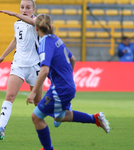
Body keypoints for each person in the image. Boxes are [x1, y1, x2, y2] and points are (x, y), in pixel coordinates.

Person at [26, 14, 111, 150]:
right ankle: (95, 118)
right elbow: (73, 59)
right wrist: (66, 78)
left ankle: (48, 148)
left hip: (60, 88)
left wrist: (33, 92)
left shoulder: (44, 43)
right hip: (67, 86)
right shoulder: (56, 39)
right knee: (60, 117)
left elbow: (44, 71)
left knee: (36, 117)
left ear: (36, 29)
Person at [0, 0, 43, 140]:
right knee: (10, 96)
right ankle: (1, 128)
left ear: (33, 9)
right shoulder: (17, 24)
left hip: (35, 67)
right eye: (22, 7)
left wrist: (14, 14)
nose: (24, 10)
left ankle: (55, 116)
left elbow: (33, 23)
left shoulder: (37, 21)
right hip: (18, 65)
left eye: (28, 7)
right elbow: (15, 40)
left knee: (38, 102)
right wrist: (2, 56)